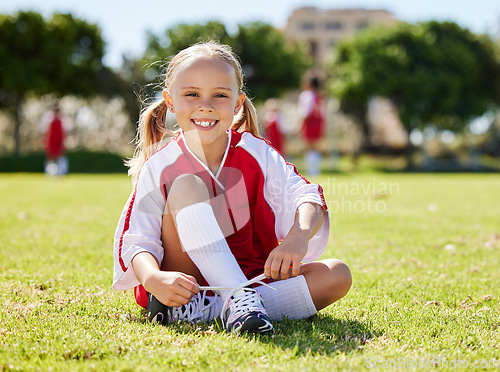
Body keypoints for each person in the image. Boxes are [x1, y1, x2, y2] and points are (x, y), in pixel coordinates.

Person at [112, 42, 351, 335]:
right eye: (191, 94)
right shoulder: (161, 164)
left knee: (337, 274)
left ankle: (221, 308)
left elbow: (306, 196)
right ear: (170, 101)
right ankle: (234, 301)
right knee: (187, 185)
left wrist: (297, 239)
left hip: (253, 278)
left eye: (220, 95)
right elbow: (138, 240)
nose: (205, 105)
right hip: (186, 283)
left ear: (237, 103)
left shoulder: (257, 153)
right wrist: (152, 279)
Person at [298, 76, 326, 176]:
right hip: (318, 123)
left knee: (309, 147)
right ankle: (316, 170)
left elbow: (305, 113)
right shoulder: (320, 96)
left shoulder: (306, 96)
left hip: (310, 123)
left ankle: (312, 171)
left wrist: (301, 125)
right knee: (316, 147)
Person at [40, 102, 69, 176]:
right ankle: (50, 172)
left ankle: (62, 172)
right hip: (51, 140)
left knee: (61, 156)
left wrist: (64, 142)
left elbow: (65, 132)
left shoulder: (63, 119)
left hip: (59, 140)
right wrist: (45, 142)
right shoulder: (48, 119)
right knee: (50, 157)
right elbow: (45, 131)